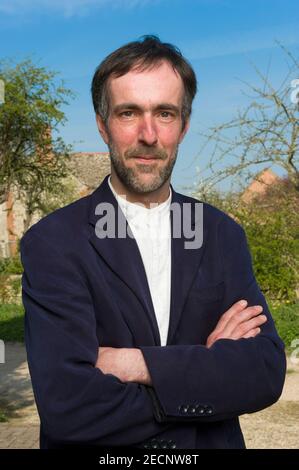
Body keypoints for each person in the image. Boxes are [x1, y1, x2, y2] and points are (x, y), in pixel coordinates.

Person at [21, 35, 286, 449]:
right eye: (129, 113)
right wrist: (206, 370)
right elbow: (69, 406)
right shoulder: (52, 243)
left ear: (184, 123)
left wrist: (136, 363)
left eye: (164, 113)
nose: (149, 134)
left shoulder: (221, 233)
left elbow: (265, 372)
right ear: (102, 123)